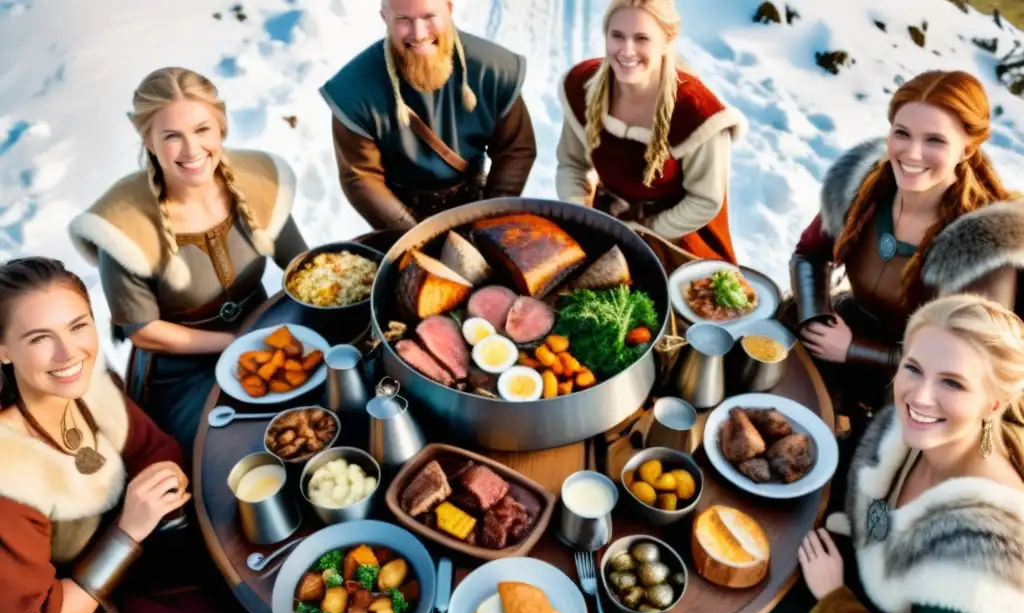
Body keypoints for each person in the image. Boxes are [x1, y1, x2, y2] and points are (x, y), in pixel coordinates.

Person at [706, 294, 1024, 613]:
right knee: (737, 594)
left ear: (993, 403)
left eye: (953, 383)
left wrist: (834, 599)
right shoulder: (919, 432)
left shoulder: (983, 543)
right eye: (913, 368)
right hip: (863, 590)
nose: (919, 396)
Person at [0, 258, 296, 613]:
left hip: (138, 562)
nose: (69, 352)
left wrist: (162, 490)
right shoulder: (9, 475)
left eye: (78, 325)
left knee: (261, 609)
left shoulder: (89, 387)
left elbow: (153, 449)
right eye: (39, 338)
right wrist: (129, 531)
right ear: (3, 350)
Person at [68, 67, 307, 452]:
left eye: (202, 130)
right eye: (172, 136)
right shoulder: (121, 222)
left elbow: (303, 266)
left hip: (264, 334)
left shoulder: (259, 179)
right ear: (147, 139)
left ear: (221, 125)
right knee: (236, 446)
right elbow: (144, 331)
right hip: (182, 369)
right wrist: (235, 341)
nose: (192, 149)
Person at [790, 70, 1023, 430]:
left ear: (968, 148)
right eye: (902, 133)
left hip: (922, 387)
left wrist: (855, 350)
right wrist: (816, 317)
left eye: (934, 140)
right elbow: (811, 252)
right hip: (846, 326)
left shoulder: (984, 248)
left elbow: (964, 366)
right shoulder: (865, 185)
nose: (912, 153)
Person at [555, 0, 745, 266]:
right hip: (608, 217)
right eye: (617, 36)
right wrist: (581, 214)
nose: (627, 50)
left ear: (667, 42)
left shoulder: (697, 114)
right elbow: (572, 165)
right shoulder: (584, 88)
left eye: (642, 38)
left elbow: (704, 201)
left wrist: (644, 230)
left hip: (675, 231)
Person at [322, 0, 537, 231]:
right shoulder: (353, 91)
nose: (419, 34)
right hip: (397, 210)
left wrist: (489, 219)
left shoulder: (493, 70)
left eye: (428, 16)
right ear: (385, 19)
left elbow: (515, 149)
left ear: (449, 8)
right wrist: (413, 238)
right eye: (403, 19)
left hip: (474, 195)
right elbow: (361, 176)